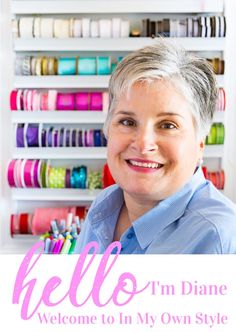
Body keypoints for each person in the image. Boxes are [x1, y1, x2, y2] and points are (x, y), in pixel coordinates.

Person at [75, 39, 236, 254]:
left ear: (199, 145)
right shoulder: (105, 205)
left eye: (168, 125)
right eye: (127, 122)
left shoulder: (219, 239)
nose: (143, 143)